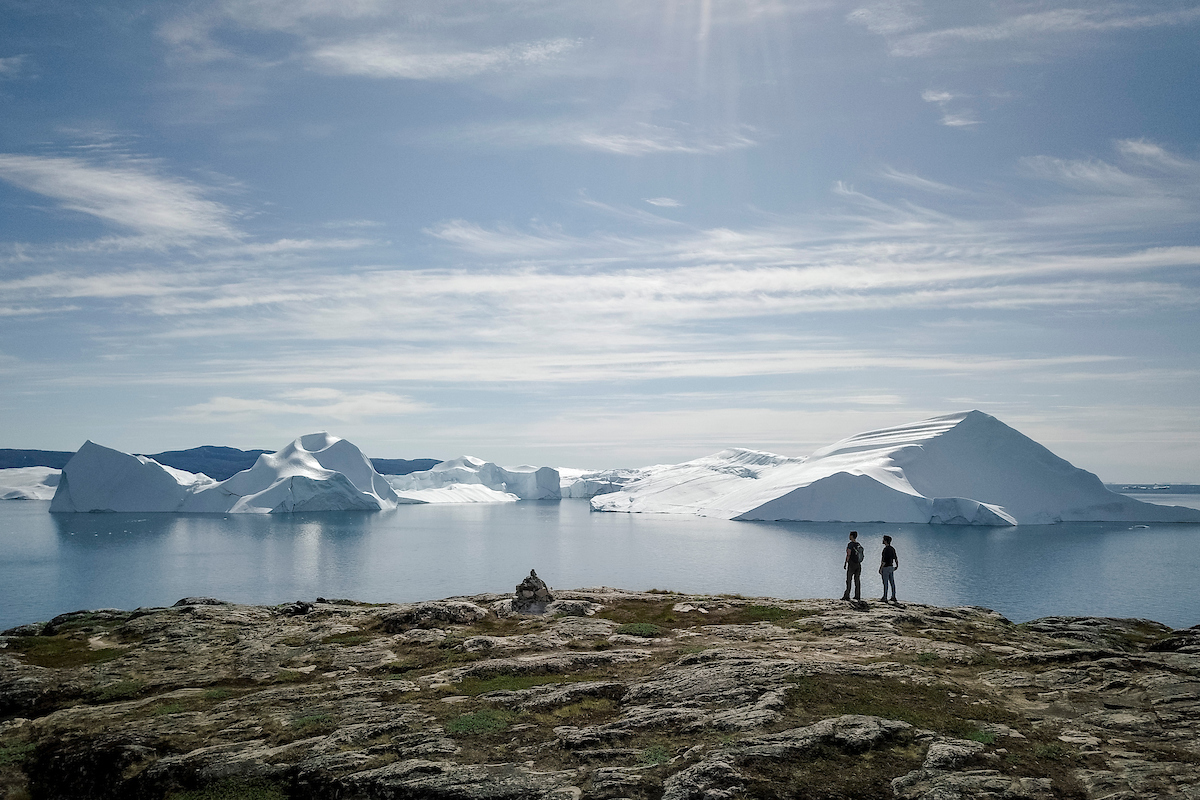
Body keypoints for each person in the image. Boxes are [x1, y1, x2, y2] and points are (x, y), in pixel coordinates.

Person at [841, 530, 862, 601]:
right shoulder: (858, 544)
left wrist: (845, 563)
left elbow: (848, 554)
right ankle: (857, 595)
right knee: (857, 580)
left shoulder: (850, 544)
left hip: (852, 564)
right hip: (858, 564)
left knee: (849, 580)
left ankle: (847, 595)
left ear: (852, 536)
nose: (849, 536)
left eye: (850, 535)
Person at [879, 535, 899, 602]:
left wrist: (880, 568)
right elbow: (895, 558)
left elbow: (884, 560)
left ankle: (885, 597)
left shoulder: (885, 549)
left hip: (886, 567)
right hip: (891, 567)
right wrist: (896, 566)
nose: (882, 541)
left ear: (885, 541)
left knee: (885, 583)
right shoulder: (892, 549)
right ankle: (893, 596)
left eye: (883, 539)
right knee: (892, 582)